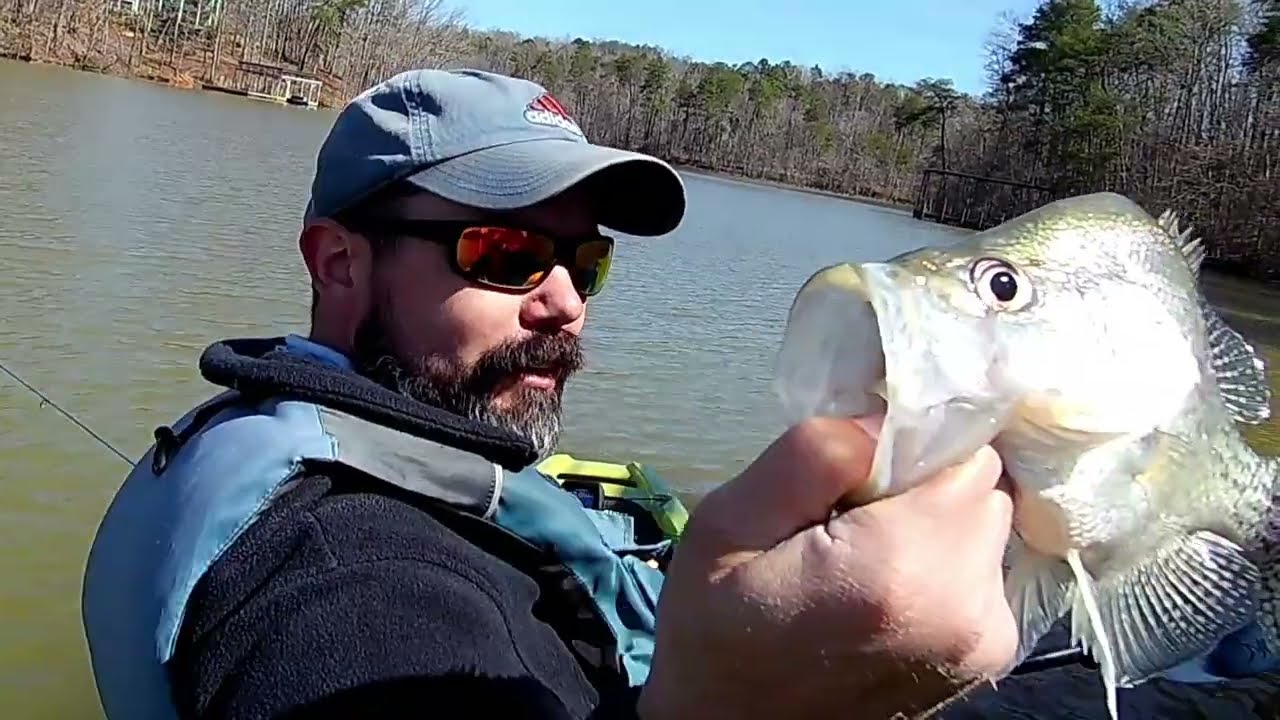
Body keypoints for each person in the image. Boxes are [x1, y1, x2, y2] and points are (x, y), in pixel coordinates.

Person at [80, 68, 1019, 720]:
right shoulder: (353, 579)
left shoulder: (274, 420)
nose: (565, 301)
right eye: (505, 254)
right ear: (340, 265)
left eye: (585, 262)